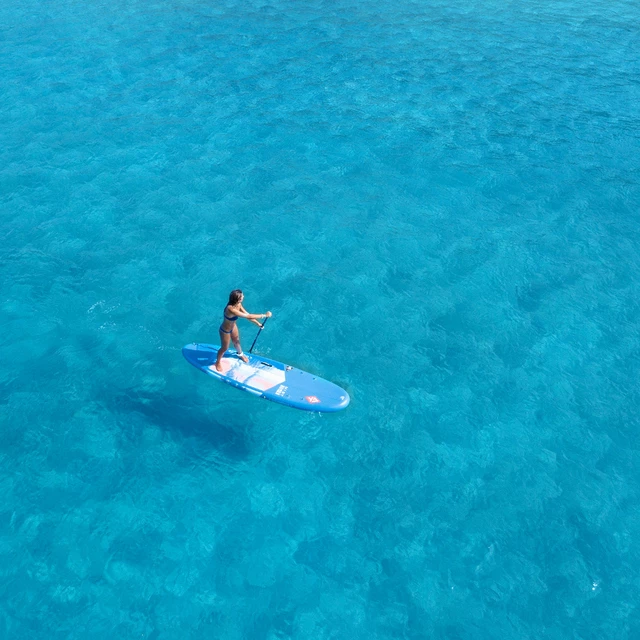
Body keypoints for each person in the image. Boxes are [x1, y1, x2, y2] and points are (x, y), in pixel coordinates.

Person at [215, 289, 272, 372]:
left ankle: (240, 354)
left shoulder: (238, 304)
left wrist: (258, 324)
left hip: (233, 326)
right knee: (224, 348)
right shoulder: (230, 309)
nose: (243, 297)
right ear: (237, 299)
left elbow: (248, 315)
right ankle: (218, 362)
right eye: (242, 296)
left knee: (237, 342)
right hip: (225, 330)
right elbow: (247, 316)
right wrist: (264, 315)